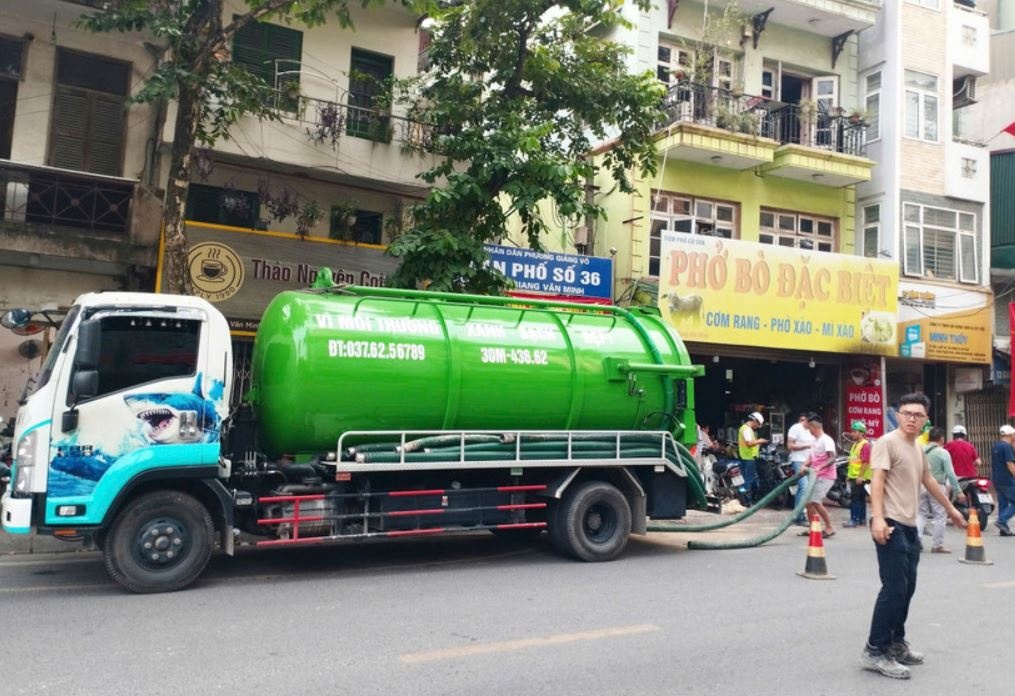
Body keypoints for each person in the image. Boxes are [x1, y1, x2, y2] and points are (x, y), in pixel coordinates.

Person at [861, 392, 966, 680]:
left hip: (909, 525)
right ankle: (875, 650)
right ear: (897, 414)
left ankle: (895, 643)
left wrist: (951, 510)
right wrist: (878, 518)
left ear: (925, 420)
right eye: (906, 412)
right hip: (891, 523)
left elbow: (928, 480)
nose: (911, 418)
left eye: (917, 415)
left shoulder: (918, 447)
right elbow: (877, 480)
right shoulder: (887, 442)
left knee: (907, 589)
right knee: (894, 589)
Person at [917, 427, 961, 553]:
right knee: (940, 515)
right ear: (942, 439)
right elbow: (950, 474)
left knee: (920, 513)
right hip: (938, 486)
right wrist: (958, 491)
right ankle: (937, 545)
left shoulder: (920, 450)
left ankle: (917, 541)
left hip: (921, 485)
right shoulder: (943, 453)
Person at [798, 413, 837, 538]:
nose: (809, 432)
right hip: (815, 475)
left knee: (815, 501)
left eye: (809, 429)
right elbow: (811, 457)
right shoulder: (814, 441)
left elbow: (832, 458)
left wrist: (820, 467)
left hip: (826, 476)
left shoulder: (827, 440)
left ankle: (829, 527)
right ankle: (812, 528)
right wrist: (804, 465)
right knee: (808, 502)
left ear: (814, 428)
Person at [786, 411, 815, 525]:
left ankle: (798, 514)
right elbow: (790, 446)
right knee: (804, 486)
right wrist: (806, 446)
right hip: (798, 460)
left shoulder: (811, 430)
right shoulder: (795, 428)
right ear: (807, 421)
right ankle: (799, 516)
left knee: (804, 489)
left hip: (809, 461)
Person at [843, 421, 872, 528]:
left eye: (855, 432)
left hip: (860, 477)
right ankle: (861, 519)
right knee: (860, 498)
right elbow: (853, 461)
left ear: (861, 433)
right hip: (854, 476)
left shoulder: (864, 445)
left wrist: (860, 476)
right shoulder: (856, 444)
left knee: (855, 499)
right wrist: (848, 475)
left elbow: (865, 461)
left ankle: (854, 519)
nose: (852, 434)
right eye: (852, 431)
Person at [737, 411, 767, 504]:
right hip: (748, 458)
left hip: (746, 457)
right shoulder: (746, 429)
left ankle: (743, 499)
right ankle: (747, 501)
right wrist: (760, 441)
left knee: (745, 480)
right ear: (755, 421)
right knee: (748, 480)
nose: (758, 427)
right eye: (758, 424)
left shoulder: (747, 429)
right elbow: (749, 443)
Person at [991, 424, 1015, 536]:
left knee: (1003, 503)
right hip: (1007, 479)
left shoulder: (996, 446)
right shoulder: (1006, 447)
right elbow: (1010, 464)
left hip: (997, 479)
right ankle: (1002, 521)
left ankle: (1003, 529)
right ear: (1010, 435)